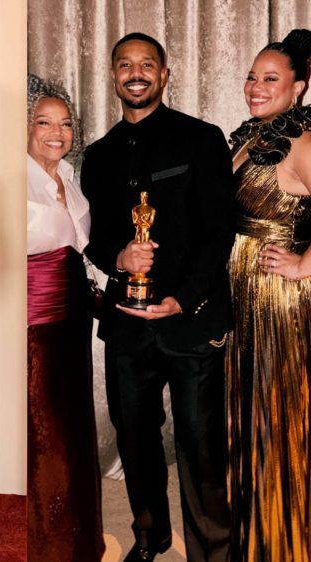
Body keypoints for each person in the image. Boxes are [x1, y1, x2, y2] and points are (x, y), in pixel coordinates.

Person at [81, 33, 234, 562]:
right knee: (135, 439)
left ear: (164, 75)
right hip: (126, 325)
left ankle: (212, 552)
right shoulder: (98, 155)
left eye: (147, 64)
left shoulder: (202, 139)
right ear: (113, 75)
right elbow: (95, 237)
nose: (136, 73)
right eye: (125, 65)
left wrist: (182, 300)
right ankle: (150, 538)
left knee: (201, 445)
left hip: (191, 320)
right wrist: (118, 258)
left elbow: (219, 231)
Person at [227, 29, 311, 562]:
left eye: (271, 78)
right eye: (253, 76)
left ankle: (287, 542)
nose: (256, 86)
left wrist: (303, 264)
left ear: (298, 88)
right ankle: (255, 533)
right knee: (250, 411)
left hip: (278, 296)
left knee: (277, 414)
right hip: (241, 289)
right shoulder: (253, 136)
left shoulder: (302, 143)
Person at [27, 74, 105, 562]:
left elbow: (79, 247)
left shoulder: (71, 178)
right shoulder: (14, 177)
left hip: (74, 319)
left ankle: (76, 540)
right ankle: (45, 545)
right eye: (44, 122)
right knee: (44, 427)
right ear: (26, 127)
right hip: (34, 321)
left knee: (72, 423)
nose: (57, 132)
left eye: (65, 123)